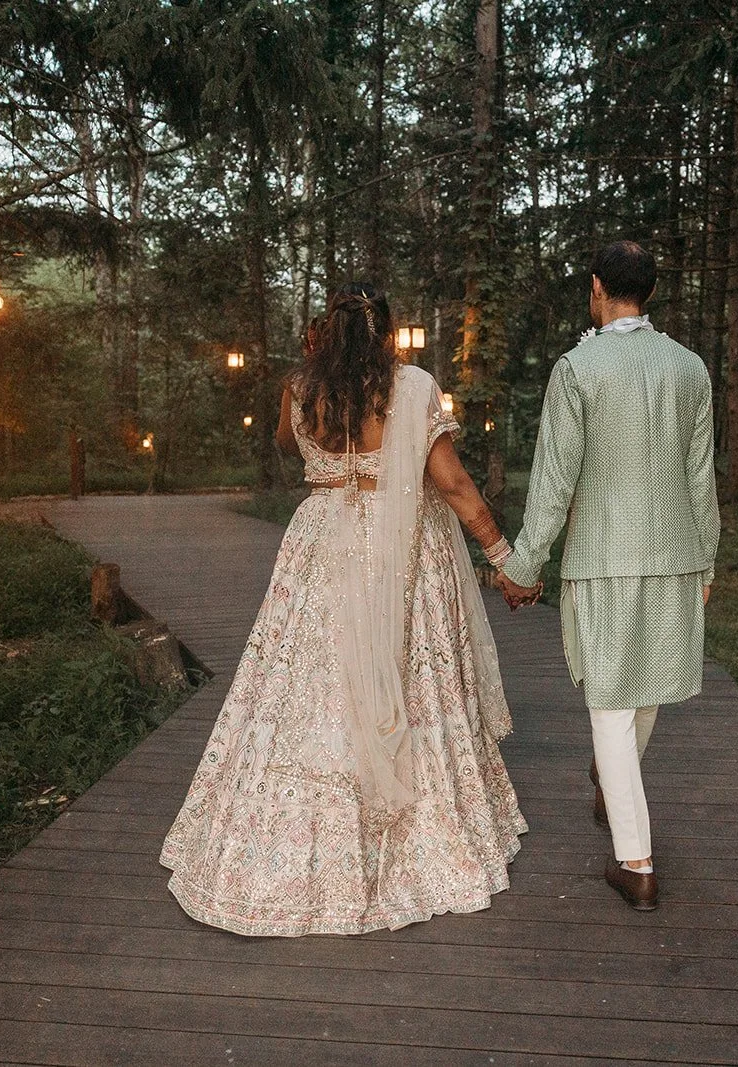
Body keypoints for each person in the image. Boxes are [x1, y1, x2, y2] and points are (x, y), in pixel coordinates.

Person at [160, 283, 527, 936]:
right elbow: (453, 484)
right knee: (399, 670)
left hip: (320, 537)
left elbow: (282, 442)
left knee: (305, 676)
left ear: (328, 333)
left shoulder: (302, 388)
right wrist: (504, 556)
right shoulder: (409, 388)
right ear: (388, 336)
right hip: (395, 549)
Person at [497, 240, 721, 911]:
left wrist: (522, 564)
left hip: (602, 560)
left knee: (614, 705)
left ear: (596, 288)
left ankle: (637, 862)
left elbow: (554, 478)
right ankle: (611, 777)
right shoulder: (689, 368)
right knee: (638, 695)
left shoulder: (578, 368)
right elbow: (700, 476)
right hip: (674, 553)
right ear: (646, 293)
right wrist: (707, 557)